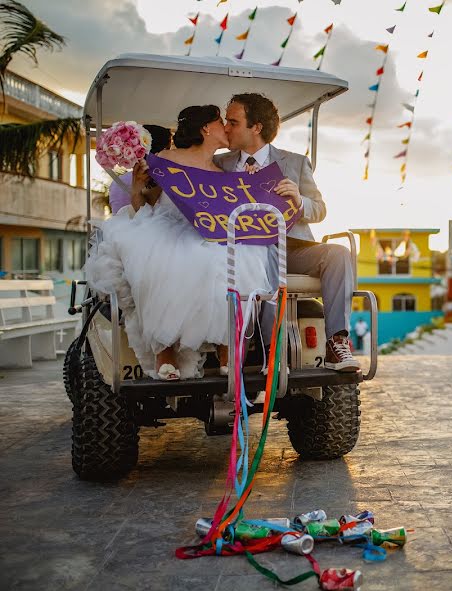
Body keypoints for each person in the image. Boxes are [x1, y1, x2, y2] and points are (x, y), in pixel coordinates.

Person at [85, 105, 272, 380]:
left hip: (209, 234)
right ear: (206, 128)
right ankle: (165, 351)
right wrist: (137, 187)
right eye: (222, 122)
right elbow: (143, 205)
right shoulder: (165, 159)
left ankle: (225, 348)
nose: (226, 128)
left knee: (232, 264)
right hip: (166, 228)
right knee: (165, 264)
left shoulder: (219, 170)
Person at [215, 92, 359, 372]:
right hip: (243, 251)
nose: (227, 128)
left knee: (339, 253)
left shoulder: (296, 163)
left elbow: (319, 210)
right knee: (266, 250)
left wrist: (298, 199)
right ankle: (273, 348)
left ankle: (337, 343)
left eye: (233, 122)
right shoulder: (220, 164)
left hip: (293, 248)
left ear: (256, 127)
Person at [107, 125, 171, 215]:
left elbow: (116, 212)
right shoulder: (164, 179)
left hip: (120, 227)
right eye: (170, 148)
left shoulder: (117, 182)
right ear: (165, 149)